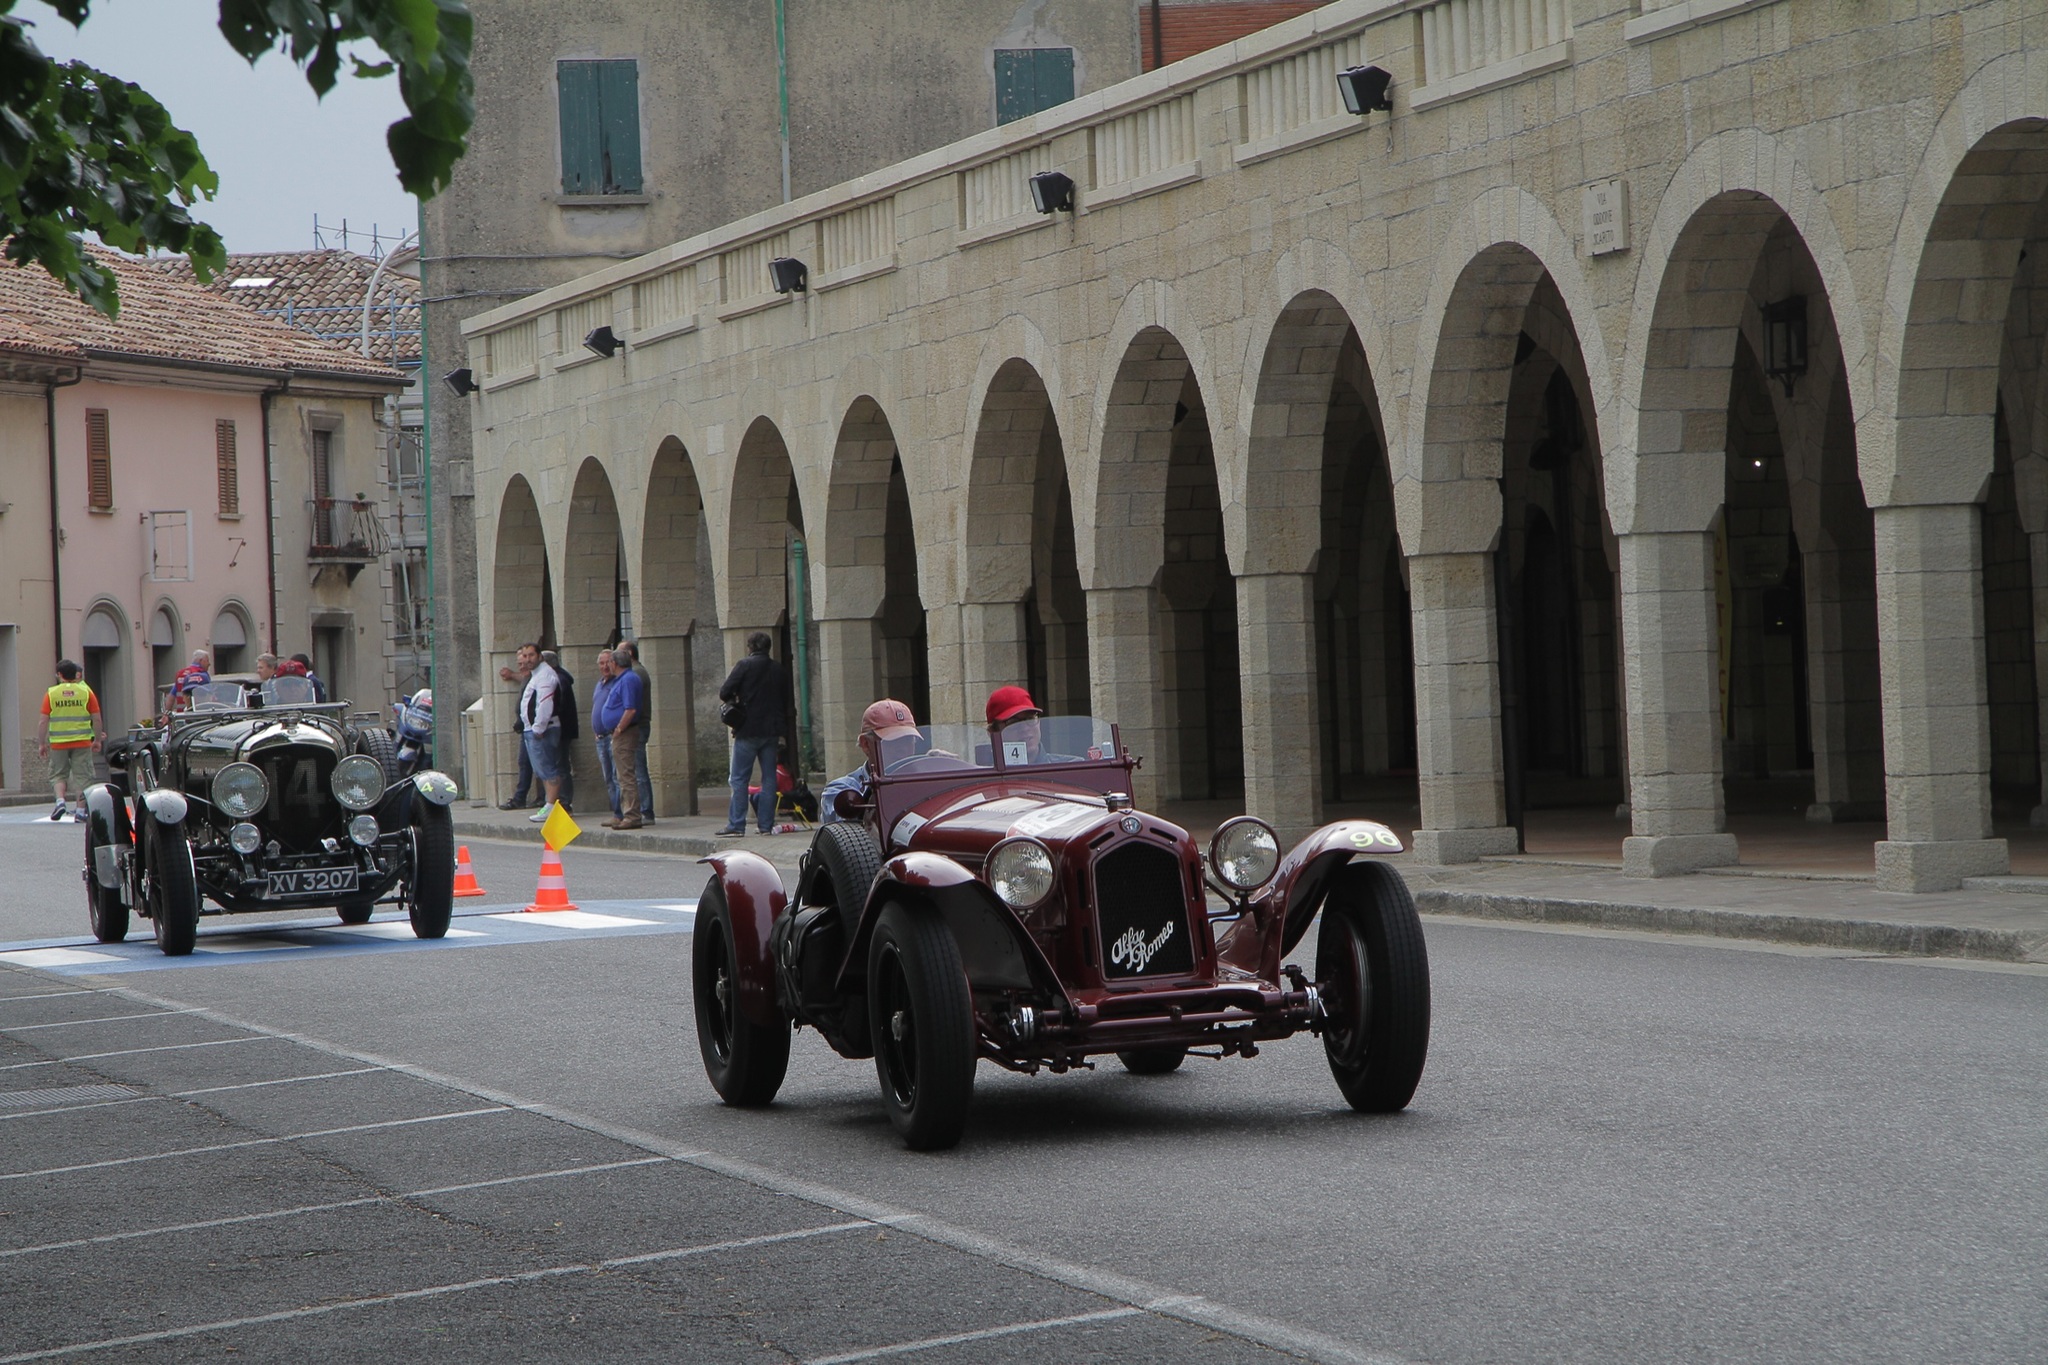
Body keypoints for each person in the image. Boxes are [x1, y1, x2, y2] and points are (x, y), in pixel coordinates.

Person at [717, 631, 787, 836]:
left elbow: (725, 692)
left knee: (739, 778)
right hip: (772, 730)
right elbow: (786, 702)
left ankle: (736, 824)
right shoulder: (778, 670)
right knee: (769, 779)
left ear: (751, 647)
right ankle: (765, 825)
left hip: (747, 729)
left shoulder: (744, 665)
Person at [819, 698, 919, 823]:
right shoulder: (843, 790)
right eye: (893, 742)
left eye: (908, 740)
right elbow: (850, 833)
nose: (904, 749)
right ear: (866, 744)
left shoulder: (925, 781)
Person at [40, 660, 102, 822]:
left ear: (59, 675)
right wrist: (97, 739)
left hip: (58, 743)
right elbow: (96, 719)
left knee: (58, 774)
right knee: (83, 776)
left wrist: (42, 743)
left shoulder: (51, 694)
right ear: (75, 674)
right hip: (82, 741)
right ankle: (81, 812)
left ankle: (60, 801)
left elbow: (43, 721)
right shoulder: (86, 693)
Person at [597, 645, 645, 829]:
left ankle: (632, 815)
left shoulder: (629, 679)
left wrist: (619, 728)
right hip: (618, 732)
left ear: (615, 663)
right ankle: (623, 812)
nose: (608, 665)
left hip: (625, 732)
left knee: (625, 775)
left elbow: (630, 708)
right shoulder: (621, 679)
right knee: (620, 775)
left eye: (609, 662)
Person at [517, 643, 565, 823]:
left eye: (531, 655)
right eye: (525, 656)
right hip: (533, 729)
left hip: (543, 730)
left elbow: (545, 703)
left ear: (540, 656)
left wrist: (538, 727)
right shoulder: (536, 675)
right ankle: (549, 804)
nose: (528, 659)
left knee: (548, 768)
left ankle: (551, 806)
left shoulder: (545, 676)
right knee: (542, 769)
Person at [614, 639, 656, 821]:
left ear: (629, 655)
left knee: (637, 771)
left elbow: (630, 706)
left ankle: (645, 810)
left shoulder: (636, 674)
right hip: (634, 726)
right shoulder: (634, 673)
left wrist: (619, 727)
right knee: (633, 771)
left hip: (635, 727)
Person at [985, 685, 1081, 764]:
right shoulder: (980, 776)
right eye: (1013, 723)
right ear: (993, 732)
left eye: (1030, 719)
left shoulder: (1071, 768)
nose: (1025, 728)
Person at [497, 652, 536, 809]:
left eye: (523, 663)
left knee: (534, 764)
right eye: (519, 664)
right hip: (525, 728)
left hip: (534, 728)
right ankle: (521, 797)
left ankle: (526, 797)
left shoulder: (537, 679)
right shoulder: (527, 678)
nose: (522, 667)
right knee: (524, 762)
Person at [543, 649, 578, 810]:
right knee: (557, 765)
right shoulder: (555, 678)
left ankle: (564, 801)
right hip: (558, 729)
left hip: (560, 730)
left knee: (560, 766)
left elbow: (558, 706)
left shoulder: (558, 679)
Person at [591, 650, 621, 822]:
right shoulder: (600, 683)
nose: (605, 667)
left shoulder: (617, 682)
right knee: (608, 778)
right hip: (600, 737)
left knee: (617, 777)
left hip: (612, 736)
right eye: (601, 663)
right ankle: (616, 812)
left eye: (608, 662)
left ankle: (621, 813)